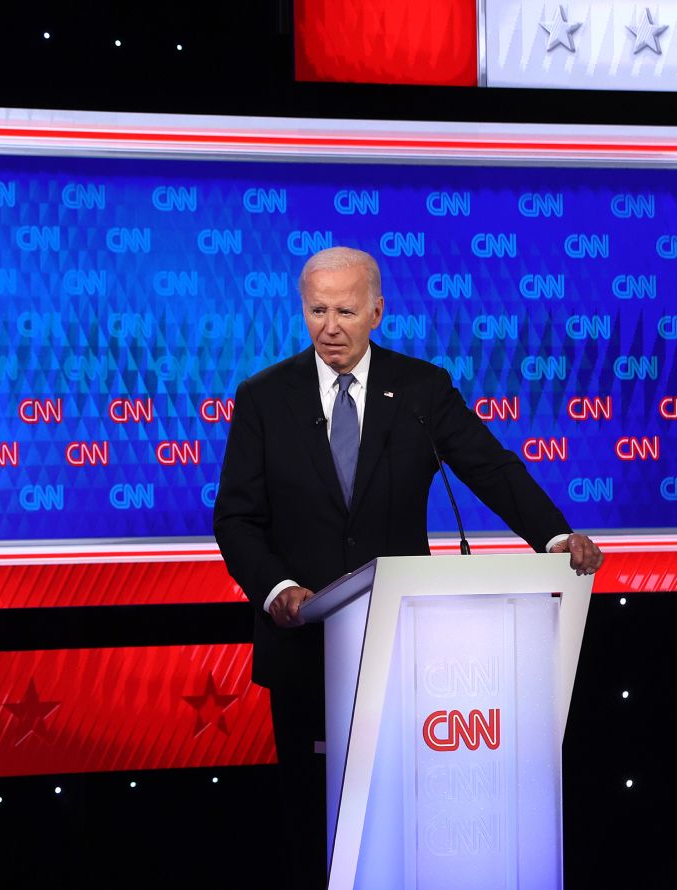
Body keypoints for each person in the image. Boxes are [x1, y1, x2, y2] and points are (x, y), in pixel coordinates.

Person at [212, 246, 603, 889]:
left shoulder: (421, 389)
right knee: (312, 822)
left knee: (402, 816)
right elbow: (236, 518)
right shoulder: (264, 397)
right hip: (304, 646)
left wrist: (554, 535)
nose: (329, 327)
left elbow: (490, 468)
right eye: (317, 310)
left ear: (377, 312)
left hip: (405, 644)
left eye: (345, 311)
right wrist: (277, 589)